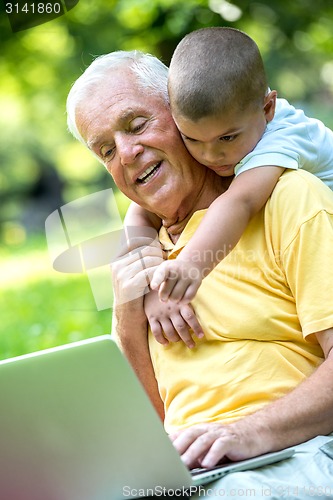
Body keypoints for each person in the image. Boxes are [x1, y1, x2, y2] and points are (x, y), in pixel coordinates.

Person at [66, 49, 333, 495]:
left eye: (137, 126)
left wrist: (247, 433)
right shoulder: (140, 251)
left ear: (180, 113)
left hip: (292, 453)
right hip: (185, 473)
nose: (128, 154)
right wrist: (127, 313)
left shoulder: (288, 197)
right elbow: (146, 427)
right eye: (107, 150)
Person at [123, 27, 333, 350]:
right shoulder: (234, 125)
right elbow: (139, 211)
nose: (210, 155)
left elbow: (240, 201)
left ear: (267, 109)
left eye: (227, 138)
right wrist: (149, 280)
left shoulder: (283, 138)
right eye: (192, 140)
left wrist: (190, 265)